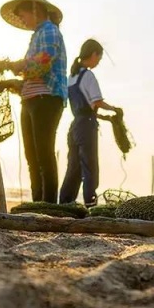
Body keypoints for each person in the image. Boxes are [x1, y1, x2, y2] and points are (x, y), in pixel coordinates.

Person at [0, 0, 68, 204]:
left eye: (23, 14)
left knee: (44, 153)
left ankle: (50, 205)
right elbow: (29, 76)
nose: (23, 19)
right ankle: (38, 202)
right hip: (31, 99)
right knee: (32, 158)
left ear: (36, 10)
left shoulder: (50, 31)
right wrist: (9, 83)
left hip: (47, 98)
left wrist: (12, 65)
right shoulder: (35, 36)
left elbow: (41, 64)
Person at [58, 39, 121, 208]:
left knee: (73, 167)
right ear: (93, 54)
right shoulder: (88, 75)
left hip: (75, 126)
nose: (98, 62)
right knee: (90, 166)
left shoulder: (71, 77)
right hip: (86, 126)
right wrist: (115, 109)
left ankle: (65, 202)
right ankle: (90, 203)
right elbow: (97, 102)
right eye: (99, 59)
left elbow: (83, 107)